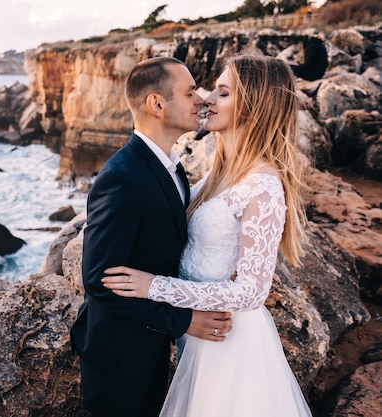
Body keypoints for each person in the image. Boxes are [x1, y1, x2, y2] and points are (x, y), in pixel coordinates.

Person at [102, 54, 312, 417]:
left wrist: (155, 286)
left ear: (255, 107)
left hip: (228, 339)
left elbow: (251, 292)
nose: (206, 99)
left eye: (223, 92)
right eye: (212, 89)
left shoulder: (262, 185)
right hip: (198, 333)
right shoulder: (218, 173)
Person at [70, 56, 233, 417]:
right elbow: (98, 281)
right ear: (156, 104)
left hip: (151, 346)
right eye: (190, 92)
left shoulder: (173, 169)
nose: (200, 99)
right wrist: (184, 320)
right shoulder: (121, 177)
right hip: (119, 356)